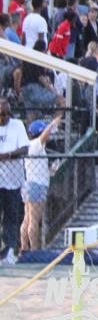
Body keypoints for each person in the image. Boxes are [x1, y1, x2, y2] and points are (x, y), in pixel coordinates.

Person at [20, 116, 60, 252]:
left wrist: (50, 169)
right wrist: (52, 124)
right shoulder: (35, 144)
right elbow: (43, 136)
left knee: (27, 218)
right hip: (37, 185)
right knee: (34, 220)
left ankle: (24, 248)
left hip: (30, 184)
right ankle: (34, 250)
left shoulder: (30, 146)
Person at [0, 98, 27, 264]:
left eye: (7, 114)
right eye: (1, 114)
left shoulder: (17, 125)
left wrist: (8, 155)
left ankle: (9, 251)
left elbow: (25, 148)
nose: (4, 117)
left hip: (13, 181)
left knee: (11, 217)